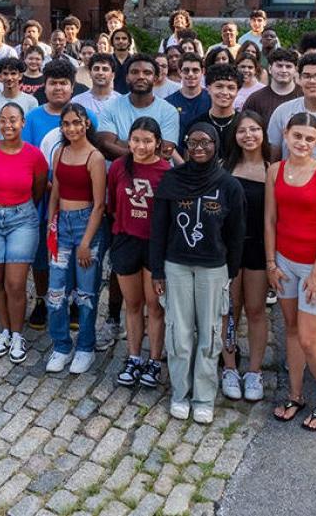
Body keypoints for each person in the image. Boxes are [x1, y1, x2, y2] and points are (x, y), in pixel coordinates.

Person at [150, 122, 245, 424]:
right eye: (193, 142)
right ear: (185, 146)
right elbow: (159, 228)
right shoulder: (172, 180)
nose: (199, 147)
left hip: (213, 268)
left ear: (216, 145)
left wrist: (230, 272)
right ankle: (180, 392)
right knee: (178, 332)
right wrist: (157, 271)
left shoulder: (229, 185)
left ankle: (204, 397)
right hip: (176, 264)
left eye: (206, 142)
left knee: (210, 334)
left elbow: (236, 233)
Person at [267, 112, 316, 432]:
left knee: (311, 339)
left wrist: (315, 273)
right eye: (297, 136)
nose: (302, 143)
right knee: (292, 331)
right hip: (283, 262)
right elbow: (270, 220)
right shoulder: (275, 170)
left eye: (309, 139)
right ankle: (295, 394)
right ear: (286, 134)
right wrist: (270, 263)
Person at [0, 102, 48, 365]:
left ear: (23, 122)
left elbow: (38, 190)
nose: (8, 125)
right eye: (3, 120)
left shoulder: (34, 155)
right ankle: (4, 330)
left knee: (15, 282)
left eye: (13, 120)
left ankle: (18, 334)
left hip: (22, 219)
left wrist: (19, 206)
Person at [43, 104, 109, 374]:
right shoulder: (59, 152)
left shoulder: (95, 157)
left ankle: (85, 346)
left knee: (85, 293)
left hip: (86, 226)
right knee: (56, 292)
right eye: (67, 123)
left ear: (87, 124)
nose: (72, 128)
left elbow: (99, 205)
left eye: (77, 123)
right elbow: (55, 191)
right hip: (62, 225)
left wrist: (86, 243)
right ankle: (61, 345)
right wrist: (51, 226)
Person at [107, 118, 171, 389]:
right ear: (128, 140)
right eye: (136, 140)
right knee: (132, 304)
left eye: (147, 141)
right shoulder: (120, 167)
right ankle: (134, 357)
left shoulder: (166, 171)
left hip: (156, 245)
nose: (141, 146)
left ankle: (154, 360)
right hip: (126, 240)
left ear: (157, 142)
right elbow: (112, 201)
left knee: (155, 306)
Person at [219, 111, 275, 403]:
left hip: (259, 248)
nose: (249, 135)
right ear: (234, 136)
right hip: (228, 250)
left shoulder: (273, 170)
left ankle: (253, 371)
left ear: (263, 133)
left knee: (255, 310)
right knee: (229, 311)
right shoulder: (224, 168)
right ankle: (229, 367)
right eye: (243, 131)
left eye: (255, 129)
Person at [97, 54, 180, 160]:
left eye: (147, 73)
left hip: (157, 174)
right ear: (127, 78)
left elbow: (165, 152)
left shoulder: (169, 111)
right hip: (119, 173)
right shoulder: (110, 106)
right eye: (134, 72)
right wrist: (150, 148)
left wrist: (120, 143)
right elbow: (105, 146)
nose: (141, 76)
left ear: (155, 79)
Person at [165, 52, 212, 145]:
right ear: (179, 72)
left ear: (203, 72)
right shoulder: (168, 103)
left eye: (195, 70)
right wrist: (180, 160)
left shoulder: (212, 99)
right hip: (176, 156)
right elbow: (167, 138)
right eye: (186, 70)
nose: (190, 74)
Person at [201, 65, 242, 160]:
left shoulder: (243, 123)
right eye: (219, 86)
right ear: (208, 89)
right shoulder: (198, 124)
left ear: (237, 91)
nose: (224, 92)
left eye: (231, 88)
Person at [73, 53, 121, 121]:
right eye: (96, 69)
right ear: (90, 73)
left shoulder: (121, 102)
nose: (100, 73)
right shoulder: (77, 102)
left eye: (105, 69)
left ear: (112, 75)